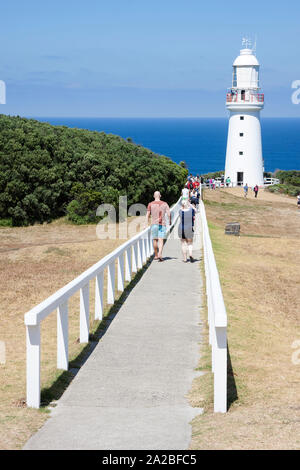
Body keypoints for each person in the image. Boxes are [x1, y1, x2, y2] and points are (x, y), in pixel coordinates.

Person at [146, 191, 171, 262]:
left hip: (154, 224)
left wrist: (146, 224)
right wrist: (169, 221)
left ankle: (156, 255)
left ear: (154, 196)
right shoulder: (165, 204)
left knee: (155, 240)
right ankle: (160, 253)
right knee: (161, 240)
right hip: (162, 224)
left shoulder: (150, 204)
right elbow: (169, 214)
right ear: (160, 196)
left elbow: (147, 215)